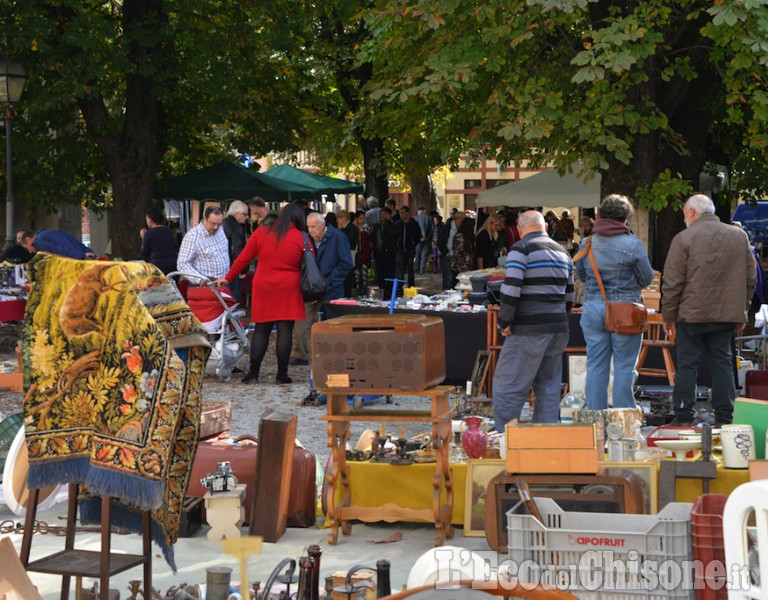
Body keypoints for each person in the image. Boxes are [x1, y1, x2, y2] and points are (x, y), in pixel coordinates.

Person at [662, 194, 756, 427]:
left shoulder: (683, 238)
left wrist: (668, 316)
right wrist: (742, 310)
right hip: (725, 315)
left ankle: (684, 416)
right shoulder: (739, 236)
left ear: (692, 212)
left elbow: (673, 282)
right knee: (723, 363)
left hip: (690, 315)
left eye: (685, 214)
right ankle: (725, 417)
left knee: (687, 366)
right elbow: (750, 278)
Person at [492, 211, 574, 429]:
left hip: (528, 328)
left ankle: (505, 438)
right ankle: (544, 439)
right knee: (548, 386)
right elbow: (569, 297)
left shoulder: (521, 249)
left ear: (520, 228)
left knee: (509, 385)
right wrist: (560, 321)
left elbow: (511, 290)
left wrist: (504, 322)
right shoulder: (563, 252)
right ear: (545, 227)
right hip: (557, 327)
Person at [574, 195, 654, 409]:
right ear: (626, 218)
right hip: (625, 311)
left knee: (596, 365)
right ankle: (623, 419)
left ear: (600, 215)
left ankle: (595, 420)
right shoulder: (632, 245)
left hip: (592, 307)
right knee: (624, 367)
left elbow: (581, 274)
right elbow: (647, 279)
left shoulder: (587, 242)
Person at [215, 202, 306, 385]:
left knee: (261, 330)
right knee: (285, 330)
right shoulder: (300, 236)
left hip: (264, 285)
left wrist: (228, 277)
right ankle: (281, 375)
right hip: (289, 286)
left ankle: (253, 373)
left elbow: (243, 258)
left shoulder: (262, 232)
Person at [291, 212, 354, 365]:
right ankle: (300, 354)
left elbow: (346, 264)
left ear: (322, 225)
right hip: (310, 288)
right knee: (301, 322)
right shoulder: (306, 238)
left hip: (331, 288)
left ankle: (334, 354)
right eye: (309, 227)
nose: (311, 230)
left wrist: (327, 283)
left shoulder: (338, 237)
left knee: (332, 324)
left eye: (313, 227)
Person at [177, 206, 229, 280]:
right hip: (203, 286)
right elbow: (182, 264)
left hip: (223, 282)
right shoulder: (192, 236)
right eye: (213, 223)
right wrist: (200, 280)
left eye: (219, 224)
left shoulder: (220, 229)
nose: (216, 227)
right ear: (205, 218)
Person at [222, 200, 251, 302]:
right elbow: (237, 248)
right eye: (245, 214)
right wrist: (243, 269)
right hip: (233, 268)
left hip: (225, 267)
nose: (247, 217)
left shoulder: (225, 223)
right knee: (233, 300)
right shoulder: (235, 226)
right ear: (237, 213)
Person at [140, 207, 177, 274]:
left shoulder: (149, 234)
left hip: (158, 266)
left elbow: (145, 252)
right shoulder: (169, 232)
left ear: (150, 219)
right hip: (173, 264)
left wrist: (143, 238)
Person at [372, 207, 399, 295]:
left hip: (389, 253)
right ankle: (382, 290)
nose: (382, 216)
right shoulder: (377, 226)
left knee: (389, 273)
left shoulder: (393, 225)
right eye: (381, 214)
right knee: (380, 274)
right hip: (379, 253)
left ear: (389, 215)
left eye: (385, 214)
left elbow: (392, 234)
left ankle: (390, 291)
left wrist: (387, 223)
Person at [20, 229, 95, 260]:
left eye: (27, 248)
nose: (30, 251)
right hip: (82, 254)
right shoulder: (46, 233)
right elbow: (74, 242)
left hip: (76, 259)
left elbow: (59, 250)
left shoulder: (38, 242)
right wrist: (86, 252)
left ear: (28, 240)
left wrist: (82, 256)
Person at [396, 205, 421, 287]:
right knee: (400, 269)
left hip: (410, 249)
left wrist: (413, 243)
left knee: (410, 269)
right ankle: (399, 287)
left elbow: (418, 236)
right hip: (400, 249)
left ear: (407, 213)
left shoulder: (414, 224)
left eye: (403, 213)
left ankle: (411, 286)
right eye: (400, 213)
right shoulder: (398, 224)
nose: (401, 215)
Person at [450, 214, 475, 287]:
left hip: (465, 266)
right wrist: (464, 264)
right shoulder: (460, 236)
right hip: (459, 267)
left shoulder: (468, 237)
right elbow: (457, 252)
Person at [414, 207, 433, 274]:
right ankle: (422, 270)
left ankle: (416, 269)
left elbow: (415, 230)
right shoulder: (430, 218)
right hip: (427, 239)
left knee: (417, 255)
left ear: (419, 211)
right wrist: (428, 237)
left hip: (418, 239)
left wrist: (420, 237)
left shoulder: (416, 218)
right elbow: (432, 229)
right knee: (424, 254)